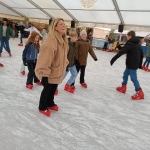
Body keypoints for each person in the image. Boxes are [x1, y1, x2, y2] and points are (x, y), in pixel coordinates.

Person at [35, 18, 69, 117]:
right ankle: (42, 106)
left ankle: (50, 102)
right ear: (55, 27)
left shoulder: (62, 40)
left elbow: (63, 55)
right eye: (61, 24)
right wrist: (44, 74)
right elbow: (45, 59)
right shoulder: (51, 41)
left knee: (53, 87)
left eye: (64, 24)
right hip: (49, 71)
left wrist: (65, 64)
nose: (63, 26)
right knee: (47, 89)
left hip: (57, 70)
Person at [110, 31, 144, 100]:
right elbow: (141, 55)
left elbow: (122, 52)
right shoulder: (138, 44)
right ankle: (123, 87)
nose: (126, 37)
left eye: (127, 36)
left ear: (130, 36)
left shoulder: (130, 43)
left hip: (132, 64)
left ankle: (139, 92)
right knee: (125, 74)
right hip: (131, 63)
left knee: (133, 78)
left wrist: (113, 59)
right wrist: (140, 65)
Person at [55, 30, 79, 95]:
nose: (76, 39)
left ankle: (68, 85)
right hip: (66, 64)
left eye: (77, 37)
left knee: (75, 74)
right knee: (62, 77)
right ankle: (55, 87)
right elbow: (63, 55)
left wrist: (76, 60)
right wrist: (64, 64)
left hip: (72, 64)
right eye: (75, 37)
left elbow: (74, 54)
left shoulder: (75, 44)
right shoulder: (66, 44)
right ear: (71, 37)